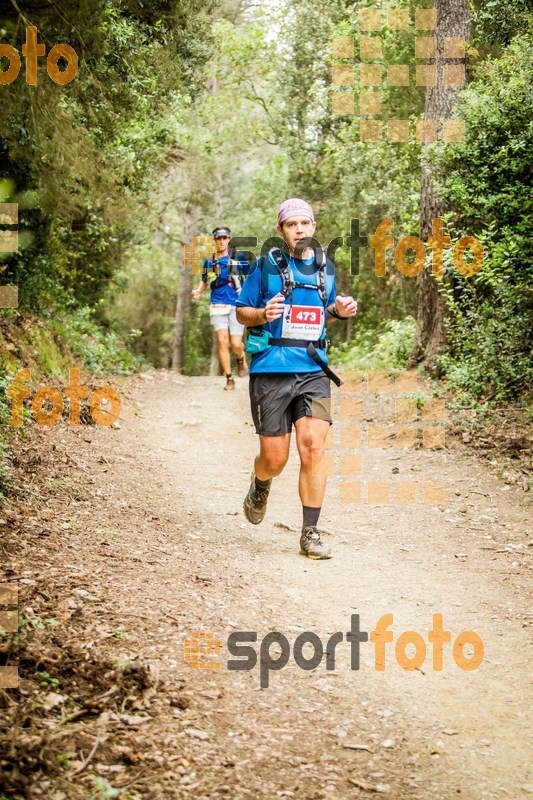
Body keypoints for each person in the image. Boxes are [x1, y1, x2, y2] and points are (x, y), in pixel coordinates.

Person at [236, 198, 357, 559]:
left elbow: (325, 314)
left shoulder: (326, 269)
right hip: (271, 369)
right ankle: (261, 483)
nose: (300, 229)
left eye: (305, 223)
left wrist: (340, 310)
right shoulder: (264, 268)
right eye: (292, 225)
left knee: (313, 447)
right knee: (274, 459)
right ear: (281, 231)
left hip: (313, 369)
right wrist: (262, 312)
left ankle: (310, 533)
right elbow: (242, 312)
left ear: (314, 227)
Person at [192, 226, 249, 391]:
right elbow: (205, 280)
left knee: (236, 343)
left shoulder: (239, 257)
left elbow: (251, 277)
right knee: (222, 341)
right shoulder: (210, 262)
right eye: (219, 238)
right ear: (215, 240)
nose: (222, 241)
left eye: (224, 238)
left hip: (237, 304)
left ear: (229, 239)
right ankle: (229, 378)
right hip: (217, 304)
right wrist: (198, 291)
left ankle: (241, 357)